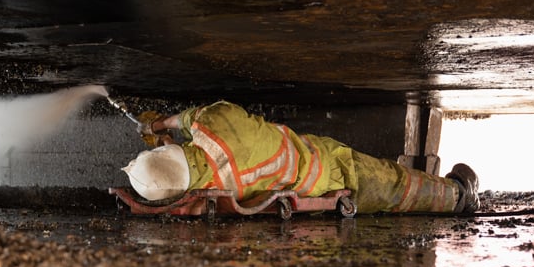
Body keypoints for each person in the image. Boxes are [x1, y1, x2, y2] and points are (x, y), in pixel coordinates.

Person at [122, 101, 479, 214]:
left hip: (311, 184)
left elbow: (188, 179)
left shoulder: (214, 194)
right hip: (326, 167)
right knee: (398, 186)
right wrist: (158, 123)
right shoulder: (218, 120)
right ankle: (460, 195)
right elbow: (189, 119)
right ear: (169, 149)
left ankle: (458, 196)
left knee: (391, 192)